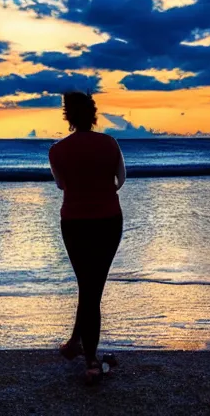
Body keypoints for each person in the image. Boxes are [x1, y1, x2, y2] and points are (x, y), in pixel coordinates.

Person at [49, 91, 126, 384]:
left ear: (67, 117)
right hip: (108, 219)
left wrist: (83, 191)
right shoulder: (110, 143)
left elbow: (61, 184)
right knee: (92, 287)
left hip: (75, 221)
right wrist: (101, 193)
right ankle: (78, 347)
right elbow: (120, 180)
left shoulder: (57, 150)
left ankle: (88, 357)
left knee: (88, 285)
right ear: (93, 115)